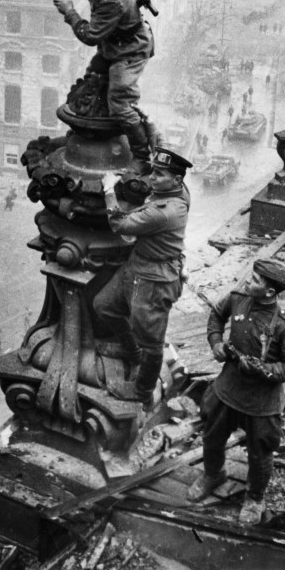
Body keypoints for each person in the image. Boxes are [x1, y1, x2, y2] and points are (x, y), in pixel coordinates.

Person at [18, 0, 153, 169]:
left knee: (120, 103)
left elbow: (90, 36)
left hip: (130, 51)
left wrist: (70, 13)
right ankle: (86, 129)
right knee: (92, 80)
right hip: (115, 44)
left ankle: (141, 154)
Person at [187, 260, 285, 526]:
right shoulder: (238, 298)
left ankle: (254, 497)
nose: (246, 282)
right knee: (212, 436)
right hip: (228, 387)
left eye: (254, 280)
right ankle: (213, 474)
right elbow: (216, 316)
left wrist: (264, 369)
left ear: (270, 292)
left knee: (260, 453)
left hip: (262, 401)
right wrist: (216, 343)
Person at [93, 144, 192, 407]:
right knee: (104, 305)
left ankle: (142, 391)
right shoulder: (179, 191)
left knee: (152, 343)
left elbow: (120, 224)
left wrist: (108, 188)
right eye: (153, 172)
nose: (152, 179)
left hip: (154, 280)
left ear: (177, 179)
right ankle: (131, 351)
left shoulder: (165, 211)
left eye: (159, 175)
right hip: (139, 266)